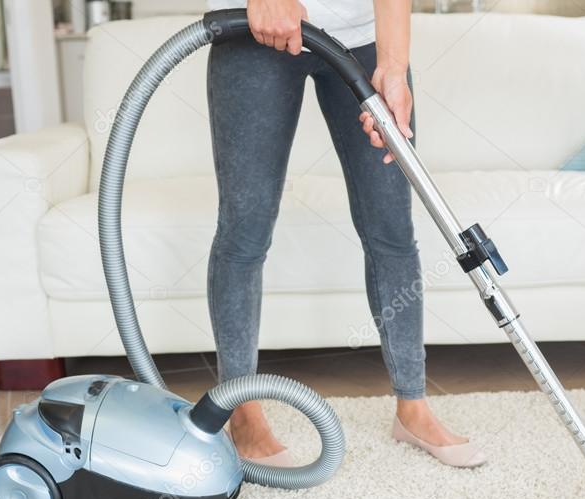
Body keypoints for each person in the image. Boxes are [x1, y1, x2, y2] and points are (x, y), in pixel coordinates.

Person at [206, 0, 486, 467]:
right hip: (255, 30)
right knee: (245, 232)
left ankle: (412, 406)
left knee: (391, 227)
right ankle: (240, 411)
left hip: (363, 38)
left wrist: (394, 69)